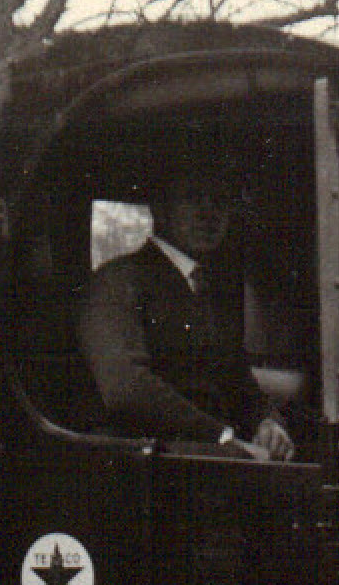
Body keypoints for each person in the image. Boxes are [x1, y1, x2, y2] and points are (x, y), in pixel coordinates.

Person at [78, 178, 297, 460]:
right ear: (160, 209)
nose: (209, 213)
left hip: (205, 459)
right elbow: (126, 389)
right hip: (146, 465)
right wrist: (222, 438)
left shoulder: (209, 290)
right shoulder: (119, 280)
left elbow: (238, 380)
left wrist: (268, 423)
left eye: (220, 202)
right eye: (193, 198)